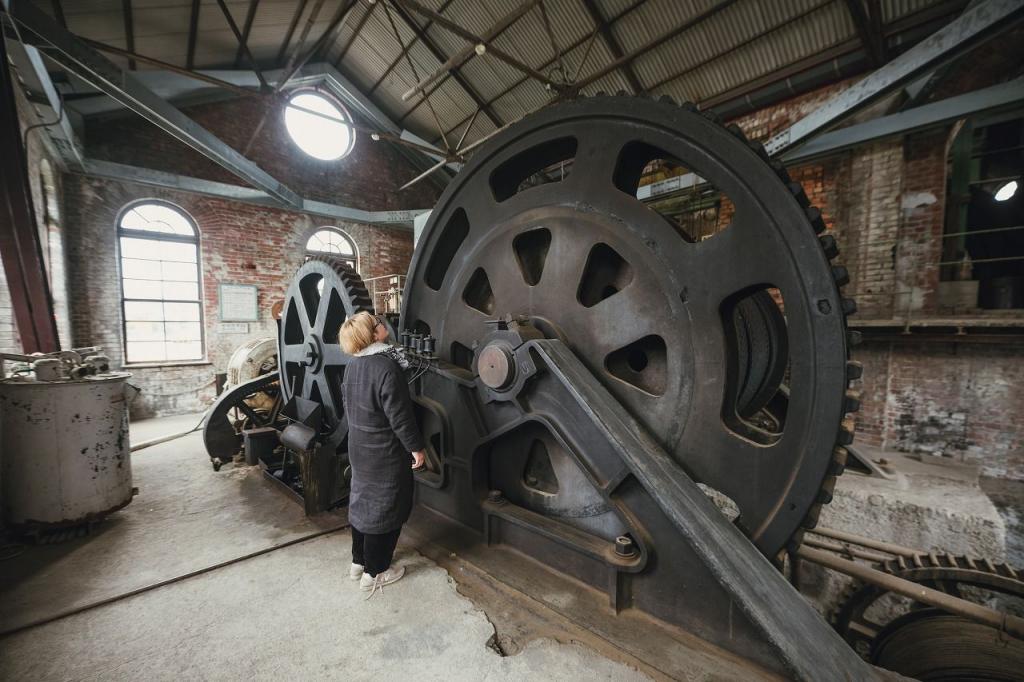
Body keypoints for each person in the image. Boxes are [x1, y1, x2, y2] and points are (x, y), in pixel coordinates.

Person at [339, 311, 426, 599]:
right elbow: (401, 417)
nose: (382, 324)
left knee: (363, 501)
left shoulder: (353, 366)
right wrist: (416, 448)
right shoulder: (386, 367)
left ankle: (358, 562)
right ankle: (375, 572)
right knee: (386, 508)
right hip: (384, 452)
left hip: (360, 447)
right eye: (377, 323)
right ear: (372, 334)